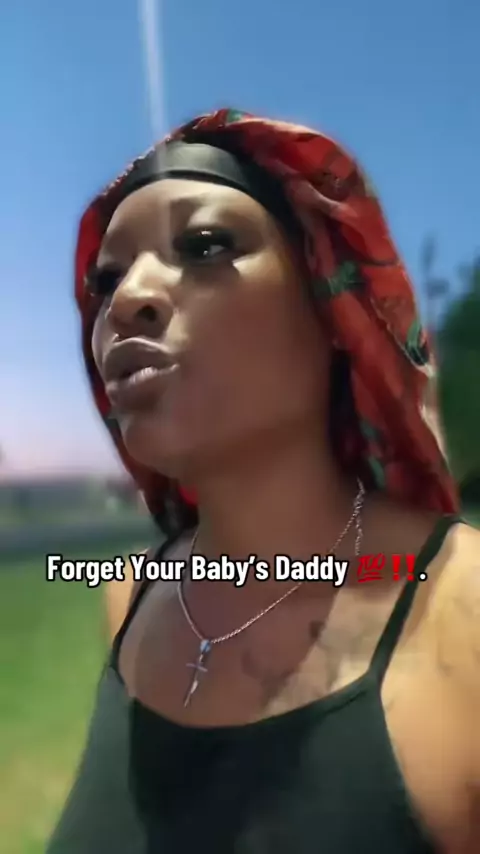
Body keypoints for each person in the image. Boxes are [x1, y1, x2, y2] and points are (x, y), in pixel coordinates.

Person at [48, 108, 479, 853]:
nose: (125, 300)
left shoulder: (463, 613)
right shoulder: (129, 599)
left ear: (333, 307)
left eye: (205, 245)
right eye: (105, 278)